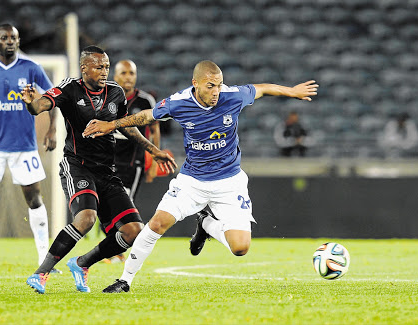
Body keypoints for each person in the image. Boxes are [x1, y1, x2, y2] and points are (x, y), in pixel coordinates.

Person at [85, 60, 318, 293]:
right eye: (210, 86)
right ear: (195, 83)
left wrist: (292, 91)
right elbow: (146, 116)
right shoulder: (179, 102)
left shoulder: (232, 96)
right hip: (192, 181)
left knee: (240, 248)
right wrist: (111, 124)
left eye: (219, 85)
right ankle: (125, 280)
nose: (216, 91)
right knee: (157, 223)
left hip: (229, 182)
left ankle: (205, 223)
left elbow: (263, 89)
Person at [20, 45, 176, 294]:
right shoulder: (70, 87)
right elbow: (41, 105)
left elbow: (127, 126)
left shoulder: (115, 93)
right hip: (77, 167)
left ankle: (81, 263)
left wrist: (153, 150)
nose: (104, 71)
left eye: (106, 66)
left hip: (107, 171)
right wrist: (30, 104)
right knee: (86, 219)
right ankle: (40, 274)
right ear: (84, 68)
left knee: (133, 232)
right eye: (99, 67)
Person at [0, 24, 58, 274]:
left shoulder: (31, 68)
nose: (10, 41)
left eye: (14, 38)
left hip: (24, 146)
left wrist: (52, 130)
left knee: (34, 199)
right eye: (5, 38)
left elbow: (54, 98)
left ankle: (44, 261)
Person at [100, 59, 161, 264]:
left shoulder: (145, 101)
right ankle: (116, 247)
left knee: (123, 205)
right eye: (124, 73)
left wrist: (153, 159)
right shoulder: (103, 98)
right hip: (106, 162)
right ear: (114, 76)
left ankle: (117, 250)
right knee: (104, 206)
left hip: (132, 163)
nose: (128, 77)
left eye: (131, 73)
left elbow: (154, 129)